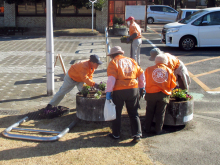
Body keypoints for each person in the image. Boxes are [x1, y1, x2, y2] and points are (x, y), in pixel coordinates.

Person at [106, 46, 146, 143]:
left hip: (119, 90)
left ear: (112, 55)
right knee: (133, 113)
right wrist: (142, 87)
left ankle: (116, 134)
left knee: (117, 113)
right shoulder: (131, 60)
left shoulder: (113, 62)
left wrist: (108, 91)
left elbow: (111, 79)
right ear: (121, 53)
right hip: (133, 88)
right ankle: (137, 134)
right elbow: (141, 74)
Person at [144, 54, 176, 135]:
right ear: (165, 61)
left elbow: (144, 81)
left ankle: (147, 128)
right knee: (160, 113)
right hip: (163, 95)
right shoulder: (169, 70)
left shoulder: (149, 69)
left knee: (149, 111)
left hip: (151, 94)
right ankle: (158, 130)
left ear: (156, 61)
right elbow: (173, 85)